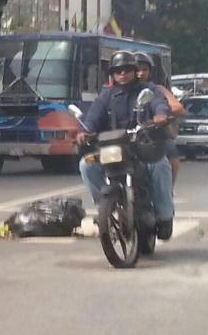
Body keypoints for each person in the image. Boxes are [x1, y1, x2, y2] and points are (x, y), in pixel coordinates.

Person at [76, 50, 174, 240]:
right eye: (118, 70)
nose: (123, 74)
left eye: (127, 69)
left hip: (143, 145)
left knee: (160, 165)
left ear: (134, 71)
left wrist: (160, 115)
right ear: (112, 74)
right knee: (86, 165)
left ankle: (164, 216)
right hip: (115, 147)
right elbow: (93, 118)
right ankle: (105, 207)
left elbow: (159, 104)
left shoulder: (148, 90)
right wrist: (85, 131)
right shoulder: (107, 96)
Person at [135, 52, 184, 186]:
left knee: (170, 152)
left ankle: (167, 192)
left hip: (152, 134)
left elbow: (178, 108)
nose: (140, 73)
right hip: (125, 135)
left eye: (144, 70)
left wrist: (160, 114)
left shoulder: (156, 90)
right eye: (136, 70)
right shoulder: (115, 91)